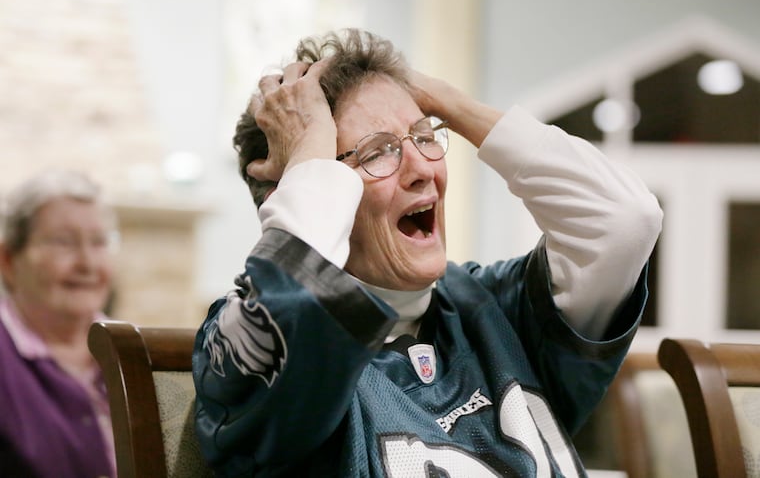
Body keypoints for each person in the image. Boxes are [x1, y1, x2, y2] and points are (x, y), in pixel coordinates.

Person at [192, 28, 663, 477]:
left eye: (424, 136)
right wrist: (308, 149)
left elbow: (624, 220)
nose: (422, 168)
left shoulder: (493, 308)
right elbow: (292, 304)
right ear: (304, 191)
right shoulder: (240, 345)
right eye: (376, 152)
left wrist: (444, 101)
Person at [0, 170, 117, 478]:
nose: (87, 263)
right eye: (63, 242)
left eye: (99, 242)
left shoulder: (135, 349)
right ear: (9, 260)